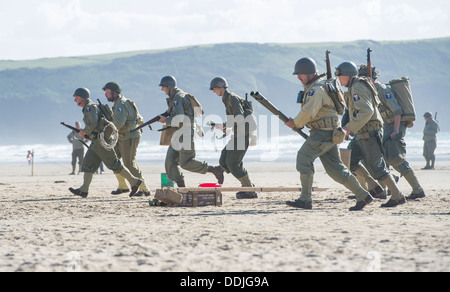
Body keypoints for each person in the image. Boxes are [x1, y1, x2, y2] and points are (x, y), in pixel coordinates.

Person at [284, 57, 374, 211]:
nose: (298, 77)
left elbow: (308, 111)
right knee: (336, 170)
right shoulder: (320, 86)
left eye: (300, 74)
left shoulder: (316, 89)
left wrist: (296, 124)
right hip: (330, 132)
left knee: (304, 158)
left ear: (309, 74)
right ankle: (363, 195)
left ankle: (305, 199)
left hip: (322, 133)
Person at [336, 61, 406, 208]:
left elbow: (366, 111)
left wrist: (348, 128)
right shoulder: (354, 87)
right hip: (361, 133)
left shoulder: (357, 88)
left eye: (340, 76)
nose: (339, 79)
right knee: (350, 162)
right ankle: (374, 187)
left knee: (378, 168)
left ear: (348, 76)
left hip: (369, 133)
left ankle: (397, 195)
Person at [359, 65, 425, 200]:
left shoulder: (383, 90)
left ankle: (417, 189)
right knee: (381, 158)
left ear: (370, 78)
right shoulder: (370, 90)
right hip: (385, 126)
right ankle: (385, 188)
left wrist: (395, 130)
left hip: (394, 124)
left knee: (395, 158)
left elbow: (396, 111)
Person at [69, 87, 142, 198]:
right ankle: (84, 190)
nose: (75, 100)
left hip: (101, 141)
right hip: (96, 141)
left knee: (114, 164)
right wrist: (88, 135)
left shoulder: (89, 108)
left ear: (82, 98)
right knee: (88, 164)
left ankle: (134, 182)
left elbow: (93, 123)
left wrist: (84, 132)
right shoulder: (90, 107)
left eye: (76, 97)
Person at [157, 76, 224, 187]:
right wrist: (165, 115)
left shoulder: (178, 97)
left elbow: (180, 119)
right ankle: (181, 188)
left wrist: (166, 120)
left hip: (185, 133)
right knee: (170, 161)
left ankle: (215, 170)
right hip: (179, 133)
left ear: (170, 87)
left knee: (186, 162)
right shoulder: (175, 97)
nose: (162, 90)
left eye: (163, 87)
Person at [209, 77, 258, 199]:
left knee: (233, 163)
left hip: (243, 135)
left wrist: (225, 125)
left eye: (214, 89)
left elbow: (239, 117)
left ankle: (249, 189)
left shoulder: (232, 98)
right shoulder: (227, 99)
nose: (214, 92)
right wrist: (224, 126)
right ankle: (245, 184)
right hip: (238, 134)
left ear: (221, 88)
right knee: (224, 158)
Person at [103, 81, 151, 197]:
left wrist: (105, 132)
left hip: (129, 136)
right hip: (122, 136)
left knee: (129, 164)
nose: (106, 95)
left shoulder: (121, 105)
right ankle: (123, 186)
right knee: (113, 161)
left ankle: (143, 188)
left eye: (108, 92)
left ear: (115, 93)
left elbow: (118, 123)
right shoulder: (120, 103)